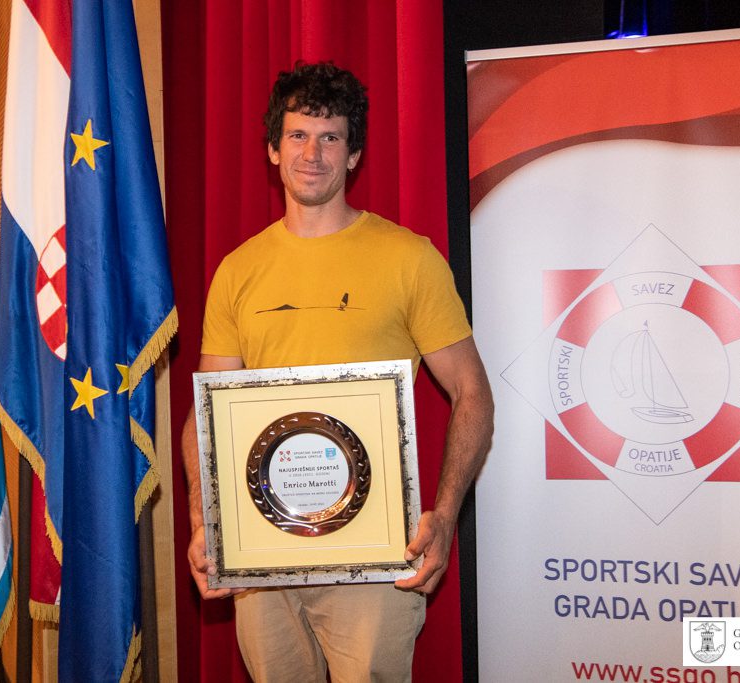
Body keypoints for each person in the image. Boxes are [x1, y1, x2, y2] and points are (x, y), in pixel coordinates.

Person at [182, 61, 494, 682]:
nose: (312, 153)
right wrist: (202, 521)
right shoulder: (238, 270)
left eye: (331, 138)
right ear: (273, 149)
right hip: (261, 551)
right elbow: (206, 414)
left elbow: (472, 394)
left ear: (353, 156)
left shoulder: (408, 258)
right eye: (297, 135)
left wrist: (444, 514)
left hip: (377, 553)